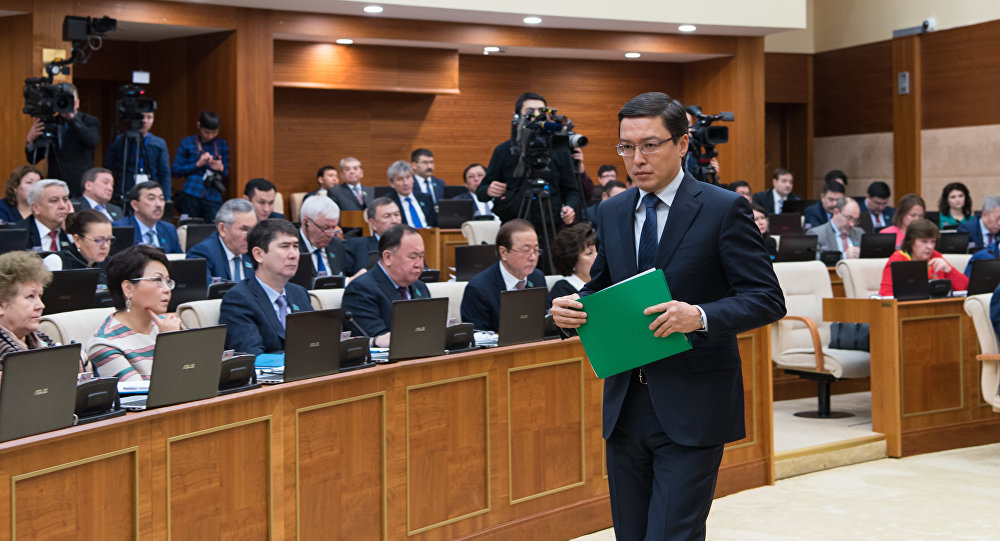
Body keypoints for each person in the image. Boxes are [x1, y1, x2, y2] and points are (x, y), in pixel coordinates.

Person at [550, 92, 784, 541]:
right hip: (626, 404)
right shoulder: (612, 210)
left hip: (694, 403)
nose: (637, 159)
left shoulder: (723, 208)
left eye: (650, 145)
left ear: (682, 144)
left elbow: (766, 298)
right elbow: (604, 286)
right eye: (627, 147)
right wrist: (572, 307)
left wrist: (700, 315)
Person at [477, 92, 580, 235]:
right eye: (530, 111)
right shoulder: (504, 150)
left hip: (550, 226)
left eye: (541, 111)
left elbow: (572, 190)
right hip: (513, 227)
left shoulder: (559, 149)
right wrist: (489, 190)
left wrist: (570, 207)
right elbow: (481, 192)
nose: (536, 115)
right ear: (518, 117)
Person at [86, 245, 183, 380]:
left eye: (167, 281)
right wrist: (170, 343)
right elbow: (144, 393)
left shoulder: (168, 325)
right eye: (158, 280)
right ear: (128, 288)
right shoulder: (104, 344)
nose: (167, 289)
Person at [218, 219, 313, 355]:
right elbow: (252, 356)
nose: (293, 255)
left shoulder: (299, 293)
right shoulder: (239, 299)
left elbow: (315, 342)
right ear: (259, 254)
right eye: (284, 246)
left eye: (296, 246)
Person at [340, 224, 430, 346]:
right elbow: (378, 340)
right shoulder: (361, 289)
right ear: (388, 257)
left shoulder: (420, 287)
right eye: (412, 257)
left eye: (421, 256)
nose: (419, 264)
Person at [460, 219, 547, 332]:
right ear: (504, 252)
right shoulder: (478, 288)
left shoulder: (538, 278)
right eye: (526, 250)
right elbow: (478, 336)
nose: (533, 257)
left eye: (536, 250)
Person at [24, 82, 100, 197]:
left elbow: (91, 140)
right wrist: (30, 140)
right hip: (55, 181)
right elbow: (34, 159)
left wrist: (72, 118)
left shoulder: (89, 121)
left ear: (77, 102)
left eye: (69, 99)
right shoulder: (50, 122)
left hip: (79, 183)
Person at [0, 251, 71, 371]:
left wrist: (81, 362)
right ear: (1, 305)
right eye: (30, 296)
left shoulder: (38, 338)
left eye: (40, 296)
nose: (41, 305)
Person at [878, 218, 968, 297]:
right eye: (924, 242)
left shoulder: (935, 256)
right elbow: (886, 296)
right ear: (911, 241)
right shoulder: (898, 259)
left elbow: (966, 288)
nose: (930, 247)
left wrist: (950, 271)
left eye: (933, 242)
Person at [172, 110, 230, 221]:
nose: (210, 136)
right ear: (199, 125)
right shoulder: (187, 142)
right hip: (191, 192)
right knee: (190, 228)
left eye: (214, 132)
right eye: (206, 132)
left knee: (214, 227)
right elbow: (175, 171)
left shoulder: (222, 144)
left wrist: (221, 168)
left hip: (213, 195)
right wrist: (197, 164)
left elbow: (228, 174)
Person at [103, 111, 171, 200]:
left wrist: (166, 198)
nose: (144, 121)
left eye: (149, 117)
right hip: (124, 189)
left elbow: (164, 173)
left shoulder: (159, 143)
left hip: (150, 189)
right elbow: (108, 168)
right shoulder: (120, 140)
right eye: (141, 117)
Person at [186, 198, 257, 282]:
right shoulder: (202, 254)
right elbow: (203, 289)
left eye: (253, 229)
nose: (250, 236)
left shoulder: (255, 252)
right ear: (222, 229)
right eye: (244, 229)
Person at [113, 182, 182, 254]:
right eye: (151, 198)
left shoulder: (169, 229)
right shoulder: (121, 228)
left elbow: (179, 258)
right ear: (135, 205)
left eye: (161, 199)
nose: (159, 204)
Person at [52, 210, 113, 284]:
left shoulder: (111, 264)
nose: (105, 246)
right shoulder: (57, 263)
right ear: (77, 240)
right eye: (98, 240)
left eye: (109, 239)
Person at [298, 195, 352, 277]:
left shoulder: (336, 244)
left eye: (334, 228)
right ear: (306, 223)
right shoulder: (292, 248)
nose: (331, 234)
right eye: (325, 228)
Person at [345, 197, 402, 274]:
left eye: (396, 214)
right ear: (373, 224)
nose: (394, 221)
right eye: (387, 216)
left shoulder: (410, 244)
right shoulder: (356, 246)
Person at [547, 222, 597, 305]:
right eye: (589, 253)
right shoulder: (562, 291)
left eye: (598, 250)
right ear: (572, 262)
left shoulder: (607, 282)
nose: (597, 256)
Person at [807, 196, 864, 261]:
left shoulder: (859, 233)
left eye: (855, 220)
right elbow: (815, 258)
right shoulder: (817, 234)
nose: (852, 224)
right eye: (849, 218)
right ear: (836, 212)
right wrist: (843, 256)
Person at [23, 179, 72, 252]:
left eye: (65, 200)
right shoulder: (20, 236)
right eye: (54, 200)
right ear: (36, 208)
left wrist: (71, 233)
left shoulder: (73, 232)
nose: (63, 206)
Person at [386, 161, 437, 228]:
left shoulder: (425, 198)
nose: (406, 183)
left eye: (408, 177)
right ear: (391, 183)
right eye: (400, 179)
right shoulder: (388, 203)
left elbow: (435, 224)